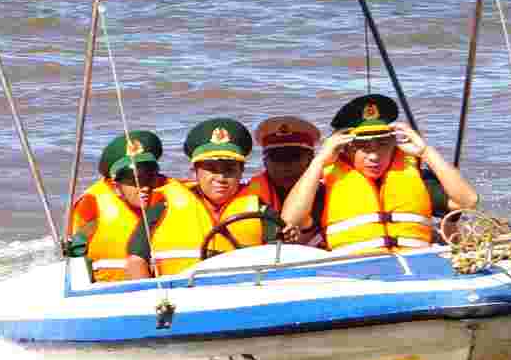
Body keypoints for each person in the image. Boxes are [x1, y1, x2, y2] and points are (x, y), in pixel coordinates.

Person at [277, 93, 479, 256]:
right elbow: (290, 219)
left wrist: (426, 151)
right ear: (346, 149)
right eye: (363, 147)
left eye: (383, 145)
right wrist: (319, 161)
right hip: (356, 276)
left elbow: (468, 201)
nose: (374, 156)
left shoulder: (415, 179)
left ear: (394, 144)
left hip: (418, 268)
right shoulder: (326, 187)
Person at [64, 129, 206, 281]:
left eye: (150, 177)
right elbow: (75, 253)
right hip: (113, 291)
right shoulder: (91, 206)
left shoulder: (177, 191)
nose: (143, 186)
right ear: (115, 185)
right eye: (133, 180)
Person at [159, 117, 272, 266]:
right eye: (211, 169)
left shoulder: (262, 211)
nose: (221, 178)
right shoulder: (162, 209)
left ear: (242, 171)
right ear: (194, 171)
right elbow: (137, 260)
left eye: (229, 169)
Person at [245, 115, 324, 246]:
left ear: (311, 159)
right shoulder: (249, 195)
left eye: (294, 156)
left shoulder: (324, 192)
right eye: (277, 157)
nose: (285, 166)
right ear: (265, 161)